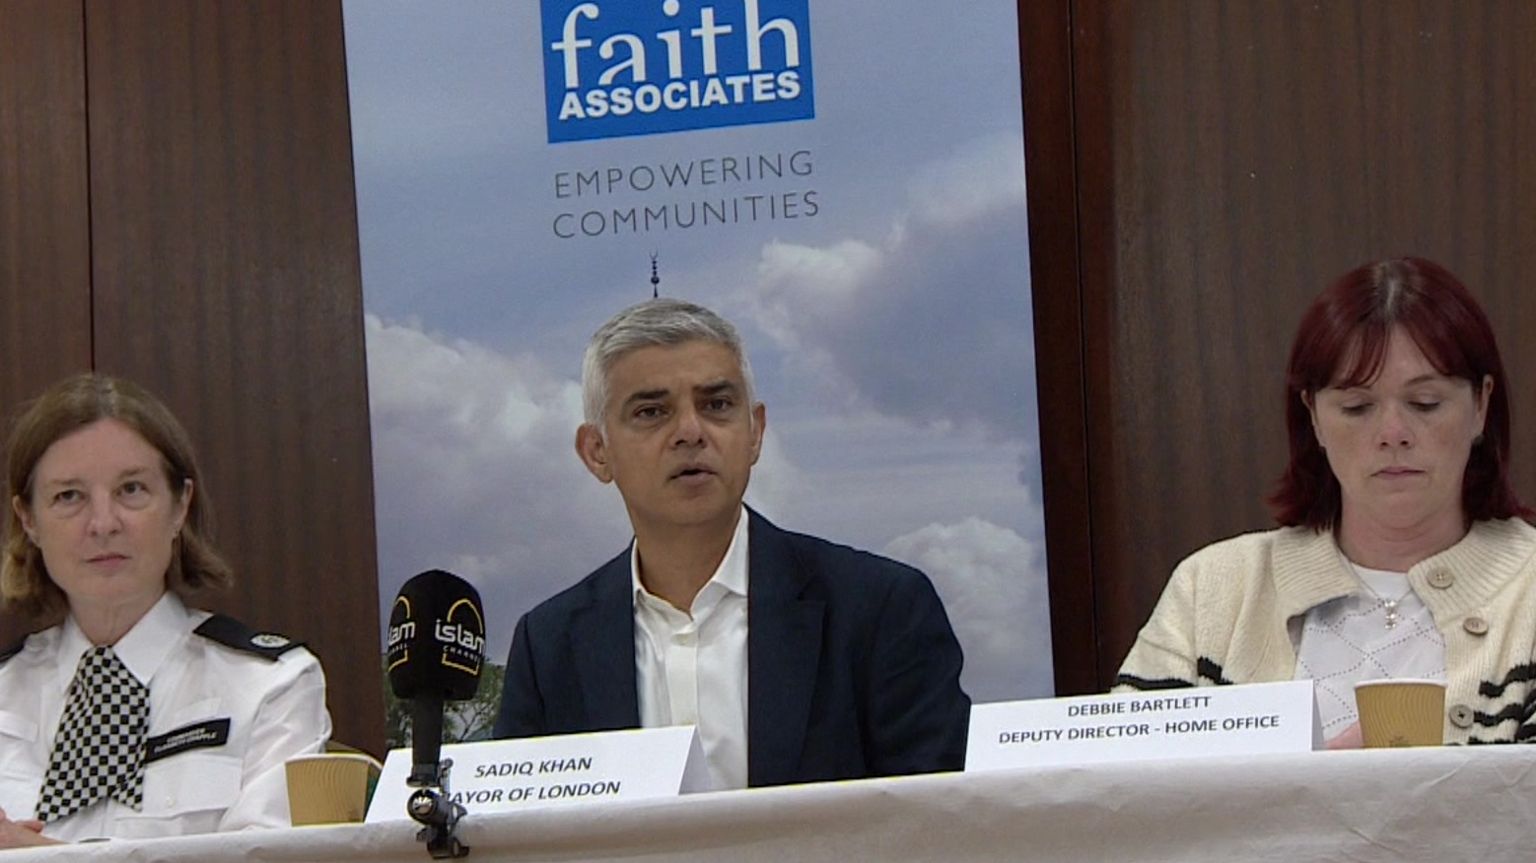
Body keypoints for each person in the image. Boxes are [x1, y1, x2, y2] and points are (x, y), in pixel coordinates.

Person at [494, 298, 970, 789]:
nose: (690, 432)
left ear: (756, 432)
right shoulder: (550, 644)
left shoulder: (879, 610)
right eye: (652, 412)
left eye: (716, 405)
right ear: (597, 453)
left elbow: (942, 825)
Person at [1116, 257, 1536, 746]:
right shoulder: (1211, 589)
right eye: (1357, 407)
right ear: (1312, 416)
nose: (1393, 435)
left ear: (1481, 405)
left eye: (1425, 403)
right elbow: (1129, 800)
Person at [0, 374, 331, 847]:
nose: (102, 524)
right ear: (29, 519)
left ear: (180, 506)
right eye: (68, 496)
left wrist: (36, 857)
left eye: (131, 490)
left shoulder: (271, 688)